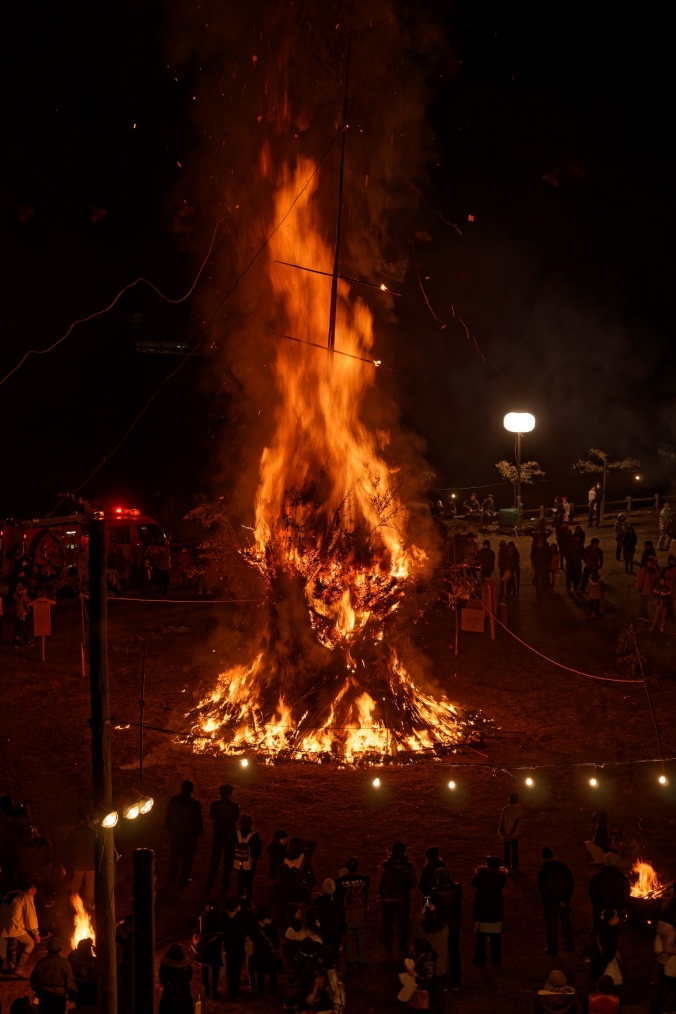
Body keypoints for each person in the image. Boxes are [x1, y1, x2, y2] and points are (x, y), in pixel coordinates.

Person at [377, 841, 417, 955]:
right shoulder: (409, 866)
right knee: (403, 922)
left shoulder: (385, 865)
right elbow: (413, 883)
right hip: (402, 900)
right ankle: (403, 943)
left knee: (387, 923)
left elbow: (379, 880)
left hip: (387, 899)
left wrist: (380, 894)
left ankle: (387, 944)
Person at [164, 780, 203, 887]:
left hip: (176, 834)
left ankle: (172, 877)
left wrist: (168, 828)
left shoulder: (174, 801)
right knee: (188, 858)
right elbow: (198, 820)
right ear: (191, 791)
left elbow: (168, 815)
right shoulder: (194, 804)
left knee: (174, 856)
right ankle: (184, 879)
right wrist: (199, 832)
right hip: (189, 836)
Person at [537, 848, 574, 955]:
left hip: (551, 903)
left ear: (543, 859)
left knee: (551, 927)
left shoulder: (543, 872)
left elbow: (544, 891)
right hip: (564, 902)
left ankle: (553, 948)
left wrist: (557, 901)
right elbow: (571, 883)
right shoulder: (563, 868)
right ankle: (568, 945)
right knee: (566, 923)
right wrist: (565, 900)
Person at [430, 867, 462, 990]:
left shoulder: (434, 892)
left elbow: (429, 906)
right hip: (454, 924)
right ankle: (456, 981)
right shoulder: (457, 888)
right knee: (454, 953)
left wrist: (426, 899)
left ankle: (442, 981)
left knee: (440, 953)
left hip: (441, 926)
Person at [336, 856, 370, 971]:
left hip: (347, 914)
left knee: (348, 938)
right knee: (361, 937)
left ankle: (350, 960)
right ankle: (361, 960)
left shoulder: (339, 882)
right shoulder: (365, 879)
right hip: (360, 912)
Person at [471, 855, 506, 966]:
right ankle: (496, 958)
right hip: (495, 910)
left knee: (481, 937)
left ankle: (480, 958)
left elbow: (473, 883)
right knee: (496, 936)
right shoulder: (501, 878)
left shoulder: (481, 876)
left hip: (482, 910)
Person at [0, 883, 39, 976]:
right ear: (30, 890)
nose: (33, 895)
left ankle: (11, 968)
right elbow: (30, 916)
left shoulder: (10, 893)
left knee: (12, 943)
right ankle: (18, 968)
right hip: (14, 926)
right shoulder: (26, 896)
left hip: (3, 924)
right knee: (30, 943)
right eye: (34, 892)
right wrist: (35, 933)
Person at [29, 936, 76, 1013]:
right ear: (60, 949)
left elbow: (33, 979)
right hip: (59, 998)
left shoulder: (41, 962)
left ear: (47, 948)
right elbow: (70, 982)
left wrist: (38, 990)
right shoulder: (65, 963)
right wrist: (72, 994)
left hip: (44, 997)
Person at [207, 784, 239, 891]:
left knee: (215, 858)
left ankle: (211, 880)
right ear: (230, 794)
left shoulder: (214, 805)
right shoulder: (234, 807)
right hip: (229, 835)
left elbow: (212, 816)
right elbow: (235, 819)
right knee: (228, 860)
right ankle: (226, 882)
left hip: (218, 834)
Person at [65, 814, 95, 910]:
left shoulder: (72, 832)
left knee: (76, 885)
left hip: (78, 863)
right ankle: (89, 905)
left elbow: (68, 848)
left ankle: (74, 905)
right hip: (91, 863)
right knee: (90, 886)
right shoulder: (92, 832)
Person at [589, 853, 630, 923]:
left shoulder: (597, 877)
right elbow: (625, 896)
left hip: (599, 913)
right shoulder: (623, 878)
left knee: (599, 929)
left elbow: (593, 895)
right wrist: (616, 910)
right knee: (614, 932)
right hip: (616, 915)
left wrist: (602, 910)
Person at [194, 900, 223, 999]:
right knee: (213, 969)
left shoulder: (203, 916)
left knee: (206, 968)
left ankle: (209, 990)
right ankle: (212, 991)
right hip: (212, 946)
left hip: (206, 946)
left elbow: (197, 930)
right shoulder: (216, 917)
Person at [249, 905, 280, 995]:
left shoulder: (255, 925)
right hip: (268, 951)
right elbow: (275, 938)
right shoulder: (270, 925)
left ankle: (260, 990)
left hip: (259, 951)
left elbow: (252, 936)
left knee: (261, 973)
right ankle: (273, 989)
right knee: (272, 971)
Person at [422, 907, 448, 1014]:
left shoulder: (424, 936)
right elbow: (444, 924)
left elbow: (416, 926)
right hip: (440, 969)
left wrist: (423, 913)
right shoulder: (445, 932)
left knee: (426, 992)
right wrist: (435, 912)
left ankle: (426, 1008)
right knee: (439, 993)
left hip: (426, 970)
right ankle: (440, 1009)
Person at [222, 897, 246, 997]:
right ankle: (234, 988)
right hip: (238, 946)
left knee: (230, 967)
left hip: (228, 945)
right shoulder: (239, 918)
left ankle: (230, 987)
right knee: (236, 968)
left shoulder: (224, 917)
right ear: (235, 908)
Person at [234, 812, 261, 900]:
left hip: (238, 862)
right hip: (250, 864)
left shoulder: (236, 834)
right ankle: (248, 900)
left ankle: (239, 898)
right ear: (250, 823)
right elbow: (258, 851)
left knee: (240, 882)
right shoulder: (254, 836)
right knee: (248, 883)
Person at [158, 944, 193, 1014]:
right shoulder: (186, 964)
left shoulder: (166, 964)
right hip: (184, 998)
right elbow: (189, 977)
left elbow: (162, 979)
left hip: (169, 997)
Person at [591, 907, 621, 982]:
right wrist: (611, 956)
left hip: (605, 956)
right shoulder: (606, 932)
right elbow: (607, 945)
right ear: (610, 919)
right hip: (603, 957)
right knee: (601, 971)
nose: (618, 919)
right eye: (616, 917)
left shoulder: (611, 929)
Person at [67, 937, 97, 1008]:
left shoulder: (71, 958)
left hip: (78, 989)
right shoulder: (92, 961)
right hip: (90, 989)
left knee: (80, 1007)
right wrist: (96, 950)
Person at [316, 878, 344, 951]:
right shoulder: (339, 900)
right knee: (335, 949)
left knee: (327, 949)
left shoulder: (320, 902)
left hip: (326, 931)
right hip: (337, 931)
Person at [498, 792, 523, 872]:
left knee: (507, 850)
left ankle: (507, 866)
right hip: (515, 833)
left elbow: (502, 822)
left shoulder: (506, 810)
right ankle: (515, 866)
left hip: (507, 833)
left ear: (509, 800)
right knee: (515, 850)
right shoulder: (520, 810)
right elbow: (521, 823)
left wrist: (501, 832)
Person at [12, 583, 30, 647]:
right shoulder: (14, 594)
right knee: (18, 627)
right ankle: (15, 641)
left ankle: (26, 640)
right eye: (19, 586)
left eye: (21, 586)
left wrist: (24, 595)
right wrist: (23, 595)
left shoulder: (23, 595)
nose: (21, 587)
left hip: (25, 613)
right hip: (19, 613)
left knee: (25, 627)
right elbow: (19, 601)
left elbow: (28, 600)